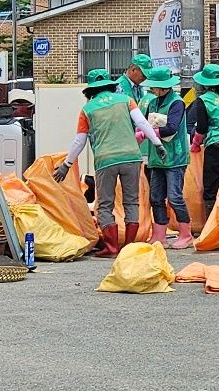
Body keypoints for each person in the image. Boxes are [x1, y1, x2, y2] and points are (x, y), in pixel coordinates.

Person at [53, 70, 166, 257]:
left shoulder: (87, 110)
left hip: (106, 160)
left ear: (90, 90)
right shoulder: (125, 100)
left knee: (105, 204)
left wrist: (67, 164)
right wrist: (157, 143)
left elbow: (79, 141)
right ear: (110, 85)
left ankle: (112, 247)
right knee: (132, 201)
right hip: (131, 157)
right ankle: (129, 247)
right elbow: (143, 123)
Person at [142, 67, 194, 249]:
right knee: (156, 197)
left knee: (174, 197)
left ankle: (186, 234)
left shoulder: (177, 103)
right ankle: (159, 235)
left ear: (163, 88)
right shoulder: (153, 103)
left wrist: (148, 132)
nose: (152, 90)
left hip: (175, 158)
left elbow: (172, 127)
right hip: (157, 158)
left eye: (154, 87)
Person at [187, 64, 219, 217]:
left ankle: (214, 224)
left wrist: (195, 144)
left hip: (215, 147)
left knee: (212, 186)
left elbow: (201, 128)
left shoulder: (203, 100)